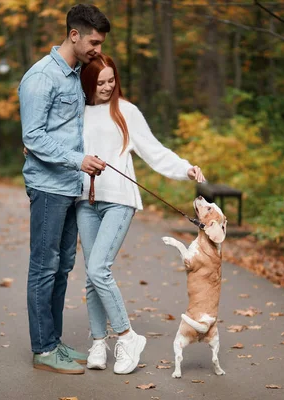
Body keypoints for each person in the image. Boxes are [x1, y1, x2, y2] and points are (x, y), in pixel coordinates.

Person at [76, 53, 206, 375]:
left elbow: (154, 150)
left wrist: (184, 168)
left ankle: (127, 336)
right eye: (100, 82)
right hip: (84, 200)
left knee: (98, 268)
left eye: (111, 80)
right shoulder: (75, 112)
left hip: (119, 200)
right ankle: (97, 342)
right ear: (87, 83)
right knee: (92, 277)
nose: (107, 87)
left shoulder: (126, 112)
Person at [18, 4, 110, 375]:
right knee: (43, 267)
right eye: (94, 42)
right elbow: (33, 135)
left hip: (70, 188)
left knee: (62, 266)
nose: (98, 50)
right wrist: (78, 161)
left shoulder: (75, 74)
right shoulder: (41, 76)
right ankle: (42, 349)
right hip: (47, 187)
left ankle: (54, 342)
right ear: (74, 35)